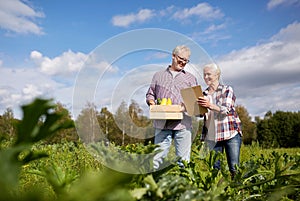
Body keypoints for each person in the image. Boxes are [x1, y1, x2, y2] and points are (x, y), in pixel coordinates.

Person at [146, 45, 198, 170]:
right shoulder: (158, 75)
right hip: (161, 124)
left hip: (183, 125)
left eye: (186, 60)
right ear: (173, 56)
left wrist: (186, 106)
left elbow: (195, 103)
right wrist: (152, 103)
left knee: (184, 162)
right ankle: (155, 188)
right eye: (181, 58)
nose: (183, 62)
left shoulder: (190, 78)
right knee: (157, 161)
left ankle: (183, 188)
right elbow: (150, 94)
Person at [197, 63, 242, 179]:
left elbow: (226, 110)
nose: (206, 77)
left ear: (217, 75)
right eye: (204, 75)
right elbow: (201, 115)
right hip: (212, 136)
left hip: (230, 133)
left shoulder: (227, 89)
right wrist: (199, 110)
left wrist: (209, 105)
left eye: (209, 74)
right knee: (215, 169)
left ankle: (238, 192)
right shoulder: (203, 94)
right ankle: (217, 193)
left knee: (234, 167)